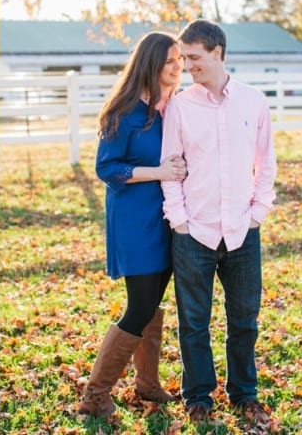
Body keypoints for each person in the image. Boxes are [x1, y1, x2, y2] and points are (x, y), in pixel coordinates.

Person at [160, 19, 277, 427]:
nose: (187, 65)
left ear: (217, 53)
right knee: (194, 323)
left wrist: (258, 212)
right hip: (195, 232)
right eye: (184, 58)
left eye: (193, 57)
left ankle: (244, 394)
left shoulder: (253, 101)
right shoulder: (179, 106)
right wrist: (180, 222)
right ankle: (198, 398)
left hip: (243, 231)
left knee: (244, 319)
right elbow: (170, 169)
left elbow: (266, 163)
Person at [78, 31, 186, 418]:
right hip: (133, 220)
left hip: (168, 218)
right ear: (151, 63)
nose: (179, 67)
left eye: (180, 60)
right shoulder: (124, 112)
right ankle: (94, 394)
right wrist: (158, 171)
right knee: (139, 305)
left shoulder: (173, 108)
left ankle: (147, 384)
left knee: (152, 304)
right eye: (171, 60)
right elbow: (106, 167)